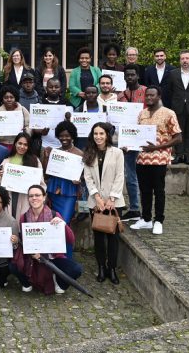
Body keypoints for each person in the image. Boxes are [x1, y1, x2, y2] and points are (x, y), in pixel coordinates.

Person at [11, 185, 82, 295]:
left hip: (52, 257)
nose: (34, 198)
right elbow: (25, 241)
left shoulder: (54, 215)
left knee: (76, 269)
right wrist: (30, 251)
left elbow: (71, 240)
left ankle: (60, 282)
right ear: (28, 198)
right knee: (13, 265)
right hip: (33, 257)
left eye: (37, 195)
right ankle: (27, 283)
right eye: (31, 196)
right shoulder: (23, 217)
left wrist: (63, 225)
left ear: (44, 197)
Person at [131, 86, 182, 235]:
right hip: (142, 159)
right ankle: (146, 219)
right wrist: (128, 145)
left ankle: (158, 220)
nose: (148, 98)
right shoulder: (142, 113)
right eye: (147, 96)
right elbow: (136, 135)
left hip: (159, 159)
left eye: (152, 95)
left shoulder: (168, 113)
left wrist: (159, 147)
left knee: (158, 191)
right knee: (144, 190)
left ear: (159, 96)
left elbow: (178, 138)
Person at [83, 122, 124, 285]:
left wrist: (112, 199)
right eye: (95, 134)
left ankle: (112, 268)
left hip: (114, 203)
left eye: (101, 133)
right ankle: (101, 267)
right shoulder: (89, 153)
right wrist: (98, 199)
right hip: (96, 202)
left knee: (113, 238)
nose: (98, 137)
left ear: (107, 135)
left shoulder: (117, 153)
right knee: (99, 237)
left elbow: (120, 176)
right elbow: (88, 177)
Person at [41, 121, 83, 259]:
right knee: (52, 225)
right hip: (53, 192)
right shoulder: (54, 152)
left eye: (67, 136)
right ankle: (54, 256)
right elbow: (47, 175)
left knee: (63, 224)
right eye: (61, 136)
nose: (64, 138)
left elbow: (84, 176)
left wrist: (79, 180)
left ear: (73, 136)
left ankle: (66, 258)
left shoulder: (80, 154)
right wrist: (46, 158)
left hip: (69, 194)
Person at [118, 64, 147, 220]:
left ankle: (140, 208)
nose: (130, 77)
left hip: (142, 139)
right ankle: (133, 208)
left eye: (132, 75)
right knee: (128, 175)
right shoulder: (121, 95)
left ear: (138, 76)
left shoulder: (146, 92)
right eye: (127, 75)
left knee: (137, 175)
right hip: (125, 140)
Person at [0, 132, 45, 220]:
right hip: (11, 196)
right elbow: (0, 185)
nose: (22, 147)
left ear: (29, 146)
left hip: (26, 198)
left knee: (25, 222)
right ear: (15, 144)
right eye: (20, 143)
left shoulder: (35, 161)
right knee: (11, 221)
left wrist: (36, 197)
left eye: (25, 144)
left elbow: (41, 184)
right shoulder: (7, 160)